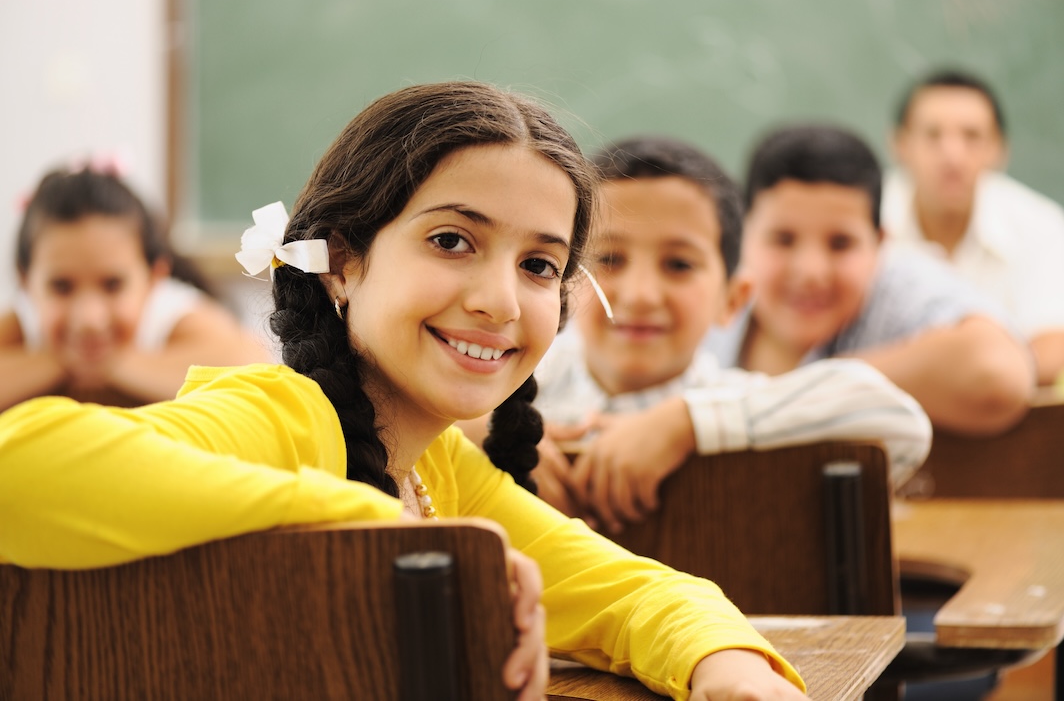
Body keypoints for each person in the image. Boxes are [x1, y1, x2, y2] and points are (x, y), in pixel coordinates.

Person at [0, 82, 807, 701]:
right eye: (453, 241)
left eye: (539, 265)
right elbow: (17, 466)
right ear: (344, 262)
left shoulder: (443, 473)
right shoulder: (281, 416)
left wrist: (727, 667)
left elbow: (637, 594)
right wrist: (387, 534)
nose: (499, 298)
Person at [495, 136, 931, 532]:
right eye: (609, 259)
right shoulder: (505, 388)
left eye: (679, 265)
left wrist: (687, 424)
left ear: (733, 299)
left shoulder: (737, 407)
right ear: (564, 280)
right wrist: (477, 430)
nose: (642, 295)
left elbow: (903, 425)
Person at [704, 124, 1034, 436]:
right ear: (742, 235)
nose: (810, 271)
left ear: (880, 243)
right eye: (783, 240)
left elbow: (997, 372)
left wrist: (778, 402)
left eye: (841, 244)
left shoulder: (899, 289)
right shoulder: (706, 297)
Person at [0, 166, 271, 410]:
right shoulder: (23, 321)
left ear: (154, 278)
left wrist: (113, 364)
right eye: (61, 287)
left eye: (112, 285)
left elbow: (254, 368)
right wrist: (58, 362)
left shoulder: (173, 312)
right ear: (25, 282)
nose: (89, 319)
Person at [884, 68, 1064, 386]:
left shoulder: (1043, 226)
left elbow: (1054, 347)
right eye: (933, 135)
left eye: (972, 137)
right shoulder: (861, 226)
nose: (953, 155)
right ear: (900, 144)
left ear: (999, 150)